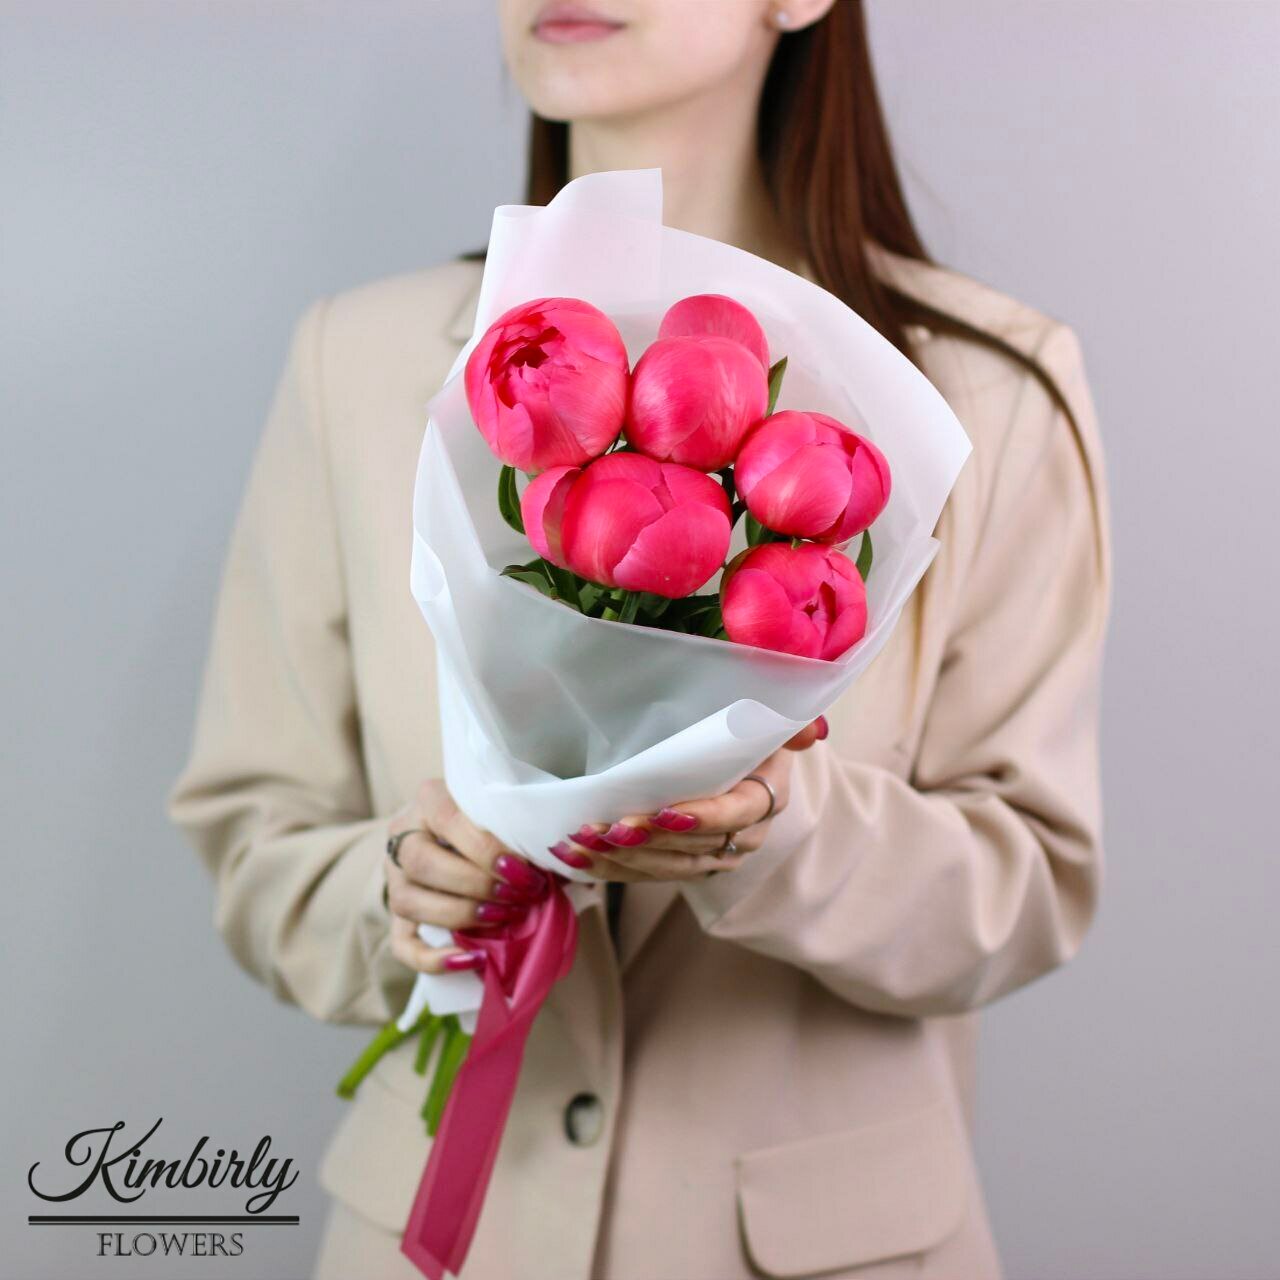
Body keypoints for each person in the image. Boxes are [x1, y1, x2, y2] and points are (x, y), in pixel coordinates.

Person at [167, 2, 1112, 1277]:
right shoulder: (359, 361)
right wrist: (403, 891)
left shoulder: (989, 395)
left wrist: (778, 830)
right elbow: (252, 831)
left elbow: (1027, 882)